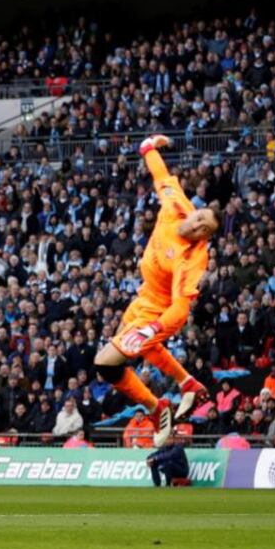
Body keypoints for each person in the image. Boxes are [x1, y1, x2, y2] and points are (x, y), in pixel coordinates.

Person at [91, 135, 217, 447]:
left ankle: (156, 406)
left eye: (205, 229)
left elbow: (181, 307)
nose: (198, 226)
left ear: (205, 236)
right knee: (111, 364)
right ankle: (186, 384)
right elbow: (161, 177)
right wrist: (148, 148)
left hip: (157, 309)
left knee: (105, 362)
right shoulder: (177, 206)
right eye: (200, 218)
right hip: (142, 296)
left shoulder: (190, 259)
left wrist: (154, 329)